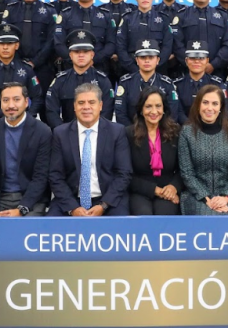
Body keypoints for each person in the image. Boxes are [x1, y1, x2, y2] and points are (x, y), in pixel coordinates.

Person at [48, 83, 132, 216]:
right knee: (50, 226)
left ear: (100, 106)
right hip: (71, 199)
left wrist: (103, 205)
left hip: (108, 200)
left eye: (91, 102)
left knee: (120, 226)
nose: (86, 107)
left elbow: (124, 174)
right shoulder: (60, 133)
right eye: (81, 103)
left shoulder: (117, 132)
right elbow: (55, 176)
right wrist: (73, 207)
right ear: (74, 106)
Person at [0, 82, 52, 217]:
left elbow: (41, 176)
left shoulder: (42, 131)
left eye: (16, 100)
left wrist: (22, 209)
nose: (11, 105)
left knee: (24, 230)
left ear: (26, 102)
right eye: (5, 100)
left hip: (31, 199)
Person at [177, 85, 228, 215]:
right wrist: (206, 198)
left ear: (221, 108)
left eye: (215, 104)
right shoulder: (186, 132)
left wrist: (225, 197)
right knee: (206, 216)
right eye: (205, 103)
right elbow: (187, 173)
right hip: (196, 195)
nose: (210, 108)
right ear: (198, 105)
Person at [126, 87, 183, 215]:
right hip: (140, 191)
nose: (154, 111)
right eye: (148, 106)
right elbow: (126, 174)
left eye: (158, 106)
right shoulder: (128, 134)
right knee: (144, 216)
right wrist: (155, 190)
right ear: (141, 110)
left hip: (168, 189)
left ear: (164, 109)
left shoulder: (176, 132)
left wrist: (174, 187)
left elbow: (183, 168)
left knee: (164, 216)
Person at [3, 0, 57, 98]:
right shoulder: (11, 10)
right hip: (15, 66)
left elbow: (52, 41)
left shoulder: (50, 11)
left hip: (42, 67)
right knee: (16, 102)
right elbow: (6, 38)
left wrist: (35, 62)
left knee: (44, 105)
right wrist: (17, 62)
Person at [172, 0, 228, 79]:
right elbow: (178, 45)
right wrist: (193, 65)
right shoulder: (181, 16)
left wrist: (213, 64)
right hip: (188, 74)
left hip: (216, 73)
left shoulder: (222, 16)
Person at [45, 29, 115, 128]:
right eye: (77, 51)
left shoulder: (102, 80)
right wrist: (63, 132)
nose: (81, 55)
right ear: (70, 55)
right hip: (66, 135)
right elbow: (51, 111)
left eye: (85, 51)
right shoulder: (60, 80)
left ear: (92, 55)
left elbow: (107, 111)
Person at [0, 23, 43, 124]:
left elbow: (37, 97)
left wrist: (25, 117)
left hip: (24, 122)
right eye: (1, 44)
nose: (5, 47)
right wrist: (9, 117)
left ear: (16, 45)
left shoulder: (27, 69)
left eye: (9, 43)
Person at [53, 0, 115, 72]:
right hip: (71, 68)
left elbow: (111, 44)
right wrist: (76, 61)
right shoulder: (65, 14)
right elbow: (59, 44)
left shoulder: (106, 15)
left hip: (99, 68)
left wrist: (93, 60)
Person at [116, 0, 174, 75]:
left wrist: (154, 66)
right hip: (131, 69)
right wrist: (133, 68)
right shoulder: (127, 19)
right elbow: (120, 46)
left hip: (158, 70)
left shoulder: (163, 19)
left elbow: (167, 46)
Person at [114, 40, 179, 126]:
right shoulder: (126, 82)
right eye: (143, 57)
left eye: (151, 57)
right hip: (132, 134)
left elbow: (172, 114)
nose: (147, 61)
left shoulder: (166, 83)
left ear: (158, 60)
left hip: (160, 133)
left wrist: (156, 132)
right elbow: (120, 114)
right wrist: (133, 132)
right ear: (137, 60)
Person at [173, 41, 226, 123]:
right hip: (184, 129)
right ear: (186, 61)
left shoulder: (217, 84)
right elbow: (178, 111)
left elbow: (223, 111)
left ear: (207, 60)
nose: (197, 61)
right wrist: (189, 127)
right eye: (192, 58)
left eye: (201, 58)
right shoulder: (177, 85)